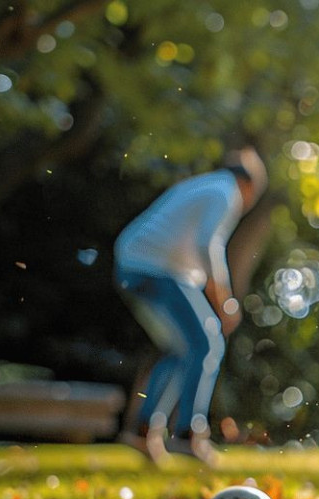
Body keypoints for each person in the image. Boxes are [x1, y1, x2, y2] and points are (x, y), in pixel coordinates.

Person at [114, 147, 266, 465]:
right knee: (205, 342)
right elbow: (207, 244)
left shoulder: (205, 185)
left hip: (133, 266)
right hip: (155, 269)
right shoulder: (226, 192)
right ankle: (188, 434)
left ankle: (143, 431)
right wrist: (223, 300)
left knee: (180, 349)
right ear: (249, 187)